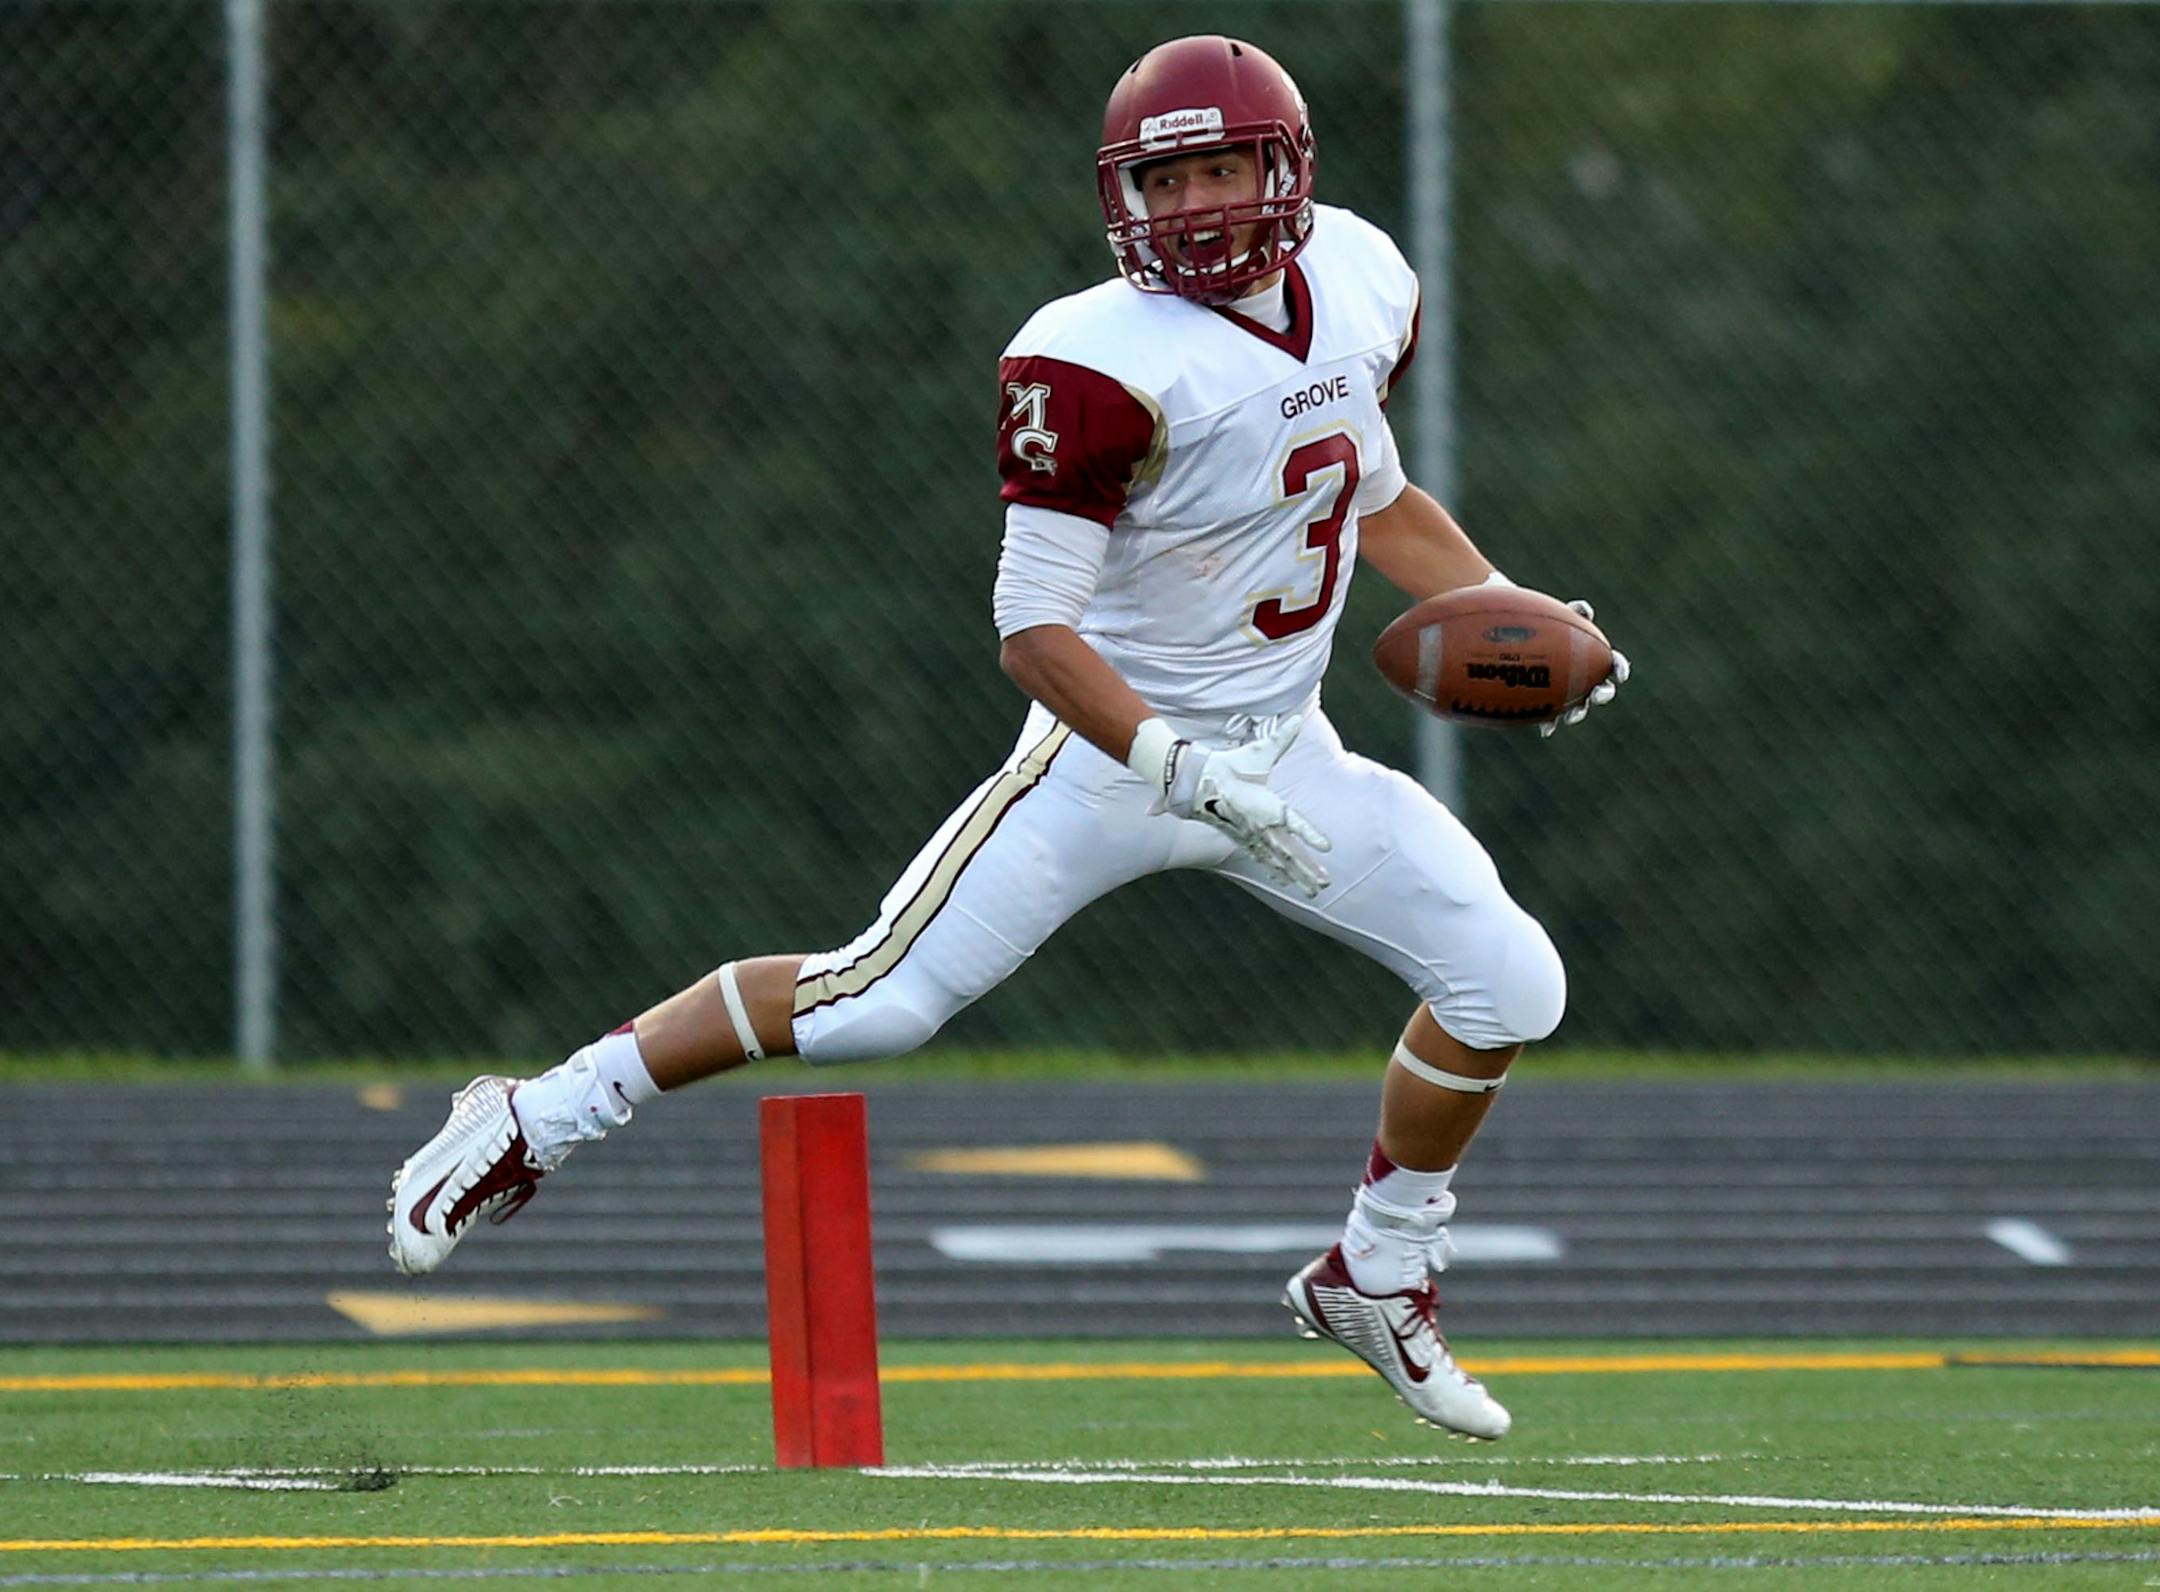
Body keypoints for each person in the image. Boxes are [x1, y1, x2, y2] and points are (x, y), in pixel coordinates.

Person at [386, 33, 1627, 1442]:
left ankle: (1378, 1269)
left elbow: (1375, 494)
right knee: (878, 1003)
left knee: (1510, 980)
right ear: (1122, 197)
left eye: (1224, 171)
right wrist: (1170, 760)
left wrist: (1517, 618)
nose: (1198, 209)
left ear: (1285, 172)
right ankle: (533, 1116)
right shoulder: (1087, 358)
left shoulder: (1361, 276)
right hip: (1109, 762)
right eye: (1167, 183)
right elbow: (1032, 630)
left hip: (1284, 755)